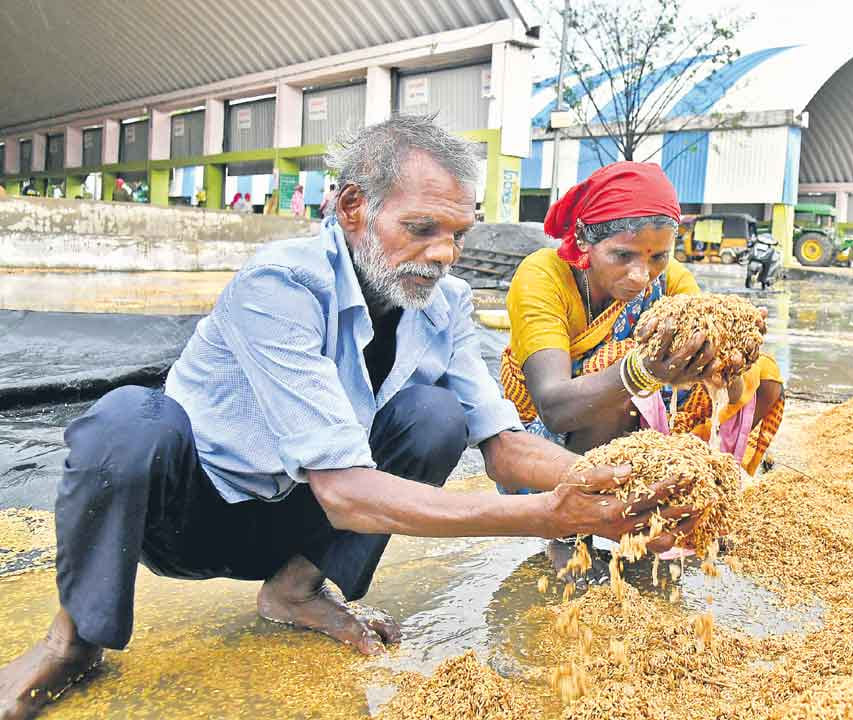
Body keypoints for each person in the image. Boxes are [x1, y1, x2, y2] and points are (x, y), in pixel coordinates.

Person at [0, 115, 700, 720]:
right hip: (194, 516)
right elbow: (344, 489)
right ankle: (72, 639)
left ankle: (297, 589)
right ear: (353, 208)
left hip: (300, 521)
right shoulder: (280, 284)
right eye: (421, 229)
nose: (443, 255)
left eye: (457, 233)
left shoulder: (444, 305)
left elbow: (505, 445)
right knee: (127, 420)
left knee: (433, 417)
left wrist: (627, 489)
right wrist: (549, 514)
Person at [502, 161, 786, 477]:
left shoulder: (671, 279)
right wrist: (642, 371)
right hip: (548, 445)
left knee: (765, 376)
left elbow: (728, 393)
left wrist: (733, 350)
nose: (641, 276)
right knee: (623, 391)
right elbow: (554, 408)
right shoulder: (543, 275)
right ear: (583, 237)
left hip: (642, 420)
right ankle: (580, 514)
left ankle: (683, 485)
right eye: (623, 256)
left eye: (658, 257)